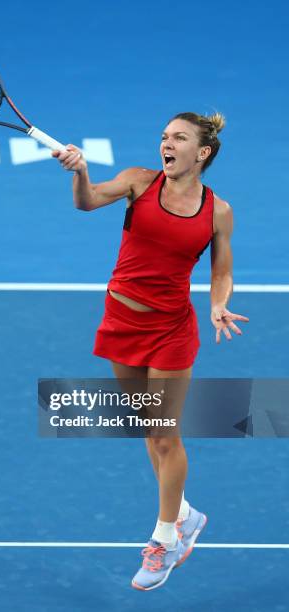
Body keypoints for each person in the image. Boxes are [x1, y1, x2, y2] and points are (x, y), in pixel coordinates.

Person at [52, 112, 249, 591]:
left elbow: (220, 271)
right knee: (146, 424)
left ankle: (165, 539)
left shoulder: (217, 211)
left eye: (178, 137)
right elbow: (88, 202)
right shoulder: (140, 182)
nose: (167, 143)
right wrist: (81, 172)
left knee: (163, 433)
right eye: (164, 136)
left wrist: (219, 304)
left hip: (170, 330)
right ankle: (185, 514)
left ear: (201, 153)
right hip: (121, 321)